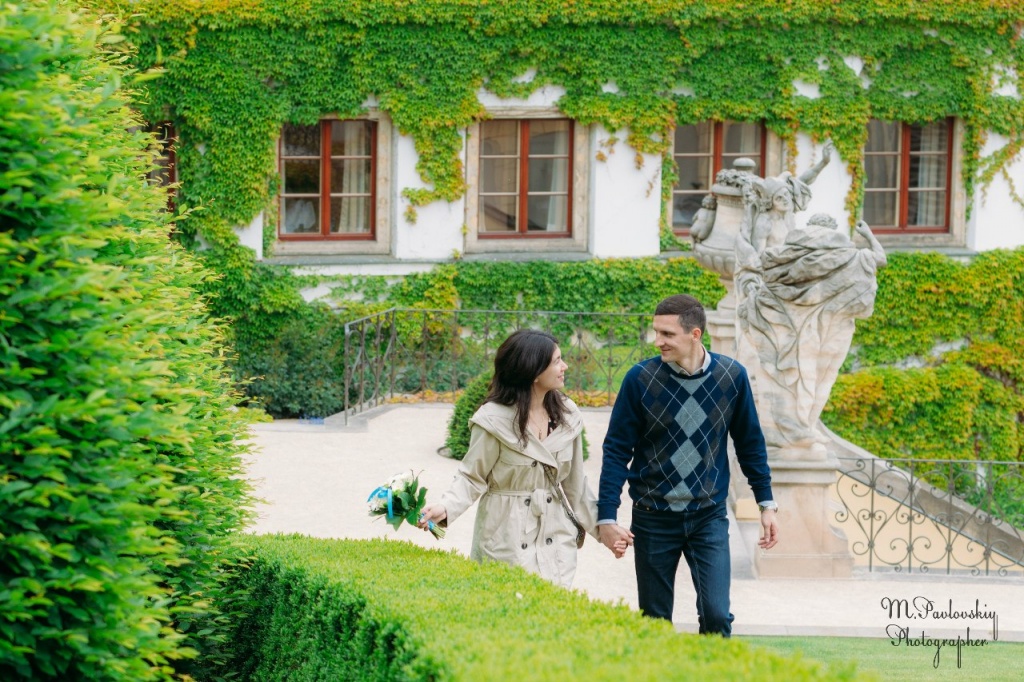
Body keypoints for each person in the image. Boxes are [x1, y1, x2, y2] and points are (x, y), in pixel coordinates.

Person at [596, 294, 778, 634]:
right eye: (656, 332)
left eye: (667, 334)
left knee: (716, 615)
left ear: (695, 334)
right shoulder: (639, 380)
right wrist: (606, 516)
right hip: (652, 517)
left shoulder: (732, 377)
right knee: (655, 622)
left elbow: (750, 444)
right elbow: (616, 450)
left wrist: (766, 503)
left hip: (708, 516)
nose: (658, 341)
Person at [419, 329, 627, 588]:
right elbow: (471, 477)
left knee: (552, 607)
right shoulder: (493, 420)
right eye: (557, 361)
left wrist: (604, 528)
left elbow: (575, 486)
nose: (565, 366)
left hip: (555, 537)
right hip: (505, 535)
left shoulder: (567, 415)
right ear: (534, 371)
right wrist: (446, 508)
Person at [735, 214, 887, 456]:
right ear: (833, 229)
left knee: (792, 378)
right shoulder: (852, 256)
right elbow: (880, 259)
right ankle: (806, 427)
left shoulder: (783, 254)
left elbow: (761, 267)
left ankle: (794, 430)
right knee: (821, 378)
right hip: (833, 327)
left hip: (789, 328)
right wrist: (868, 235)